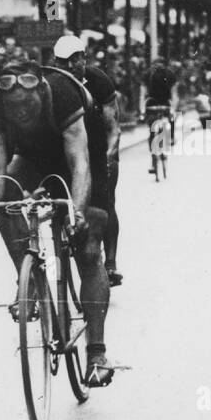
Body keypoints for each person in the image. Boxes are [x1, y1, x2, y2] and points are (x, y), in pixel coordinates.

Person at [0, 58, 115, 387]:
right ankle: (32, 278)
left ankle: (96, 353)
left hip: (81, 153)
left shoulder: (63, 95)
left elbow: (79, 163)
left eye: (26, 103)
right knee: (5, 195)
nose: (19, 110)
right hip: (34, 157)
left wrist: (77, 212)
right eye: (13, 104)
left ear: (40, 90)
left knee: (89, 248)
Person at [54, 34, 124, 286]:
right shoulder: (53, 84)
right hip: (71, 152)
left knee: (105, 203)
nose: (72, 65)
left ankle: (111, 262)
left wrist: (109, 156)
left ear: (84, 58)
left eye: (77, 59)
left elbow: (113, 127)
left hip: (98, 150)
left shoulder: (98, 81)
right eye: (65, 61)